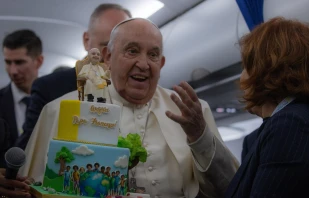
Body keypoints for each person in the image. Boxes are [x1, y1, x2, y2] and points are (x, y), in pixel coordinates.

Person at [19, 18, 239, 198]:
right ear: (108, 58)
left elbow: (229, 188)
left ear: (161, 64)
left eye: (153, 55)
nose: (143, 64)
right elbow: (30, 188)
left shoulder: (192, 112)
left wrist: (199, 136)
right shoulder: (62, 110)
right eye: (132, 51)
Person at [15, 3, 131, 149]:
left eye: (125, 48)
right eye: (106, 47)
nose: (111, 56)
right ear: (86, 41)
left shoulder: (139, 92)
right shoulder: (50, 89)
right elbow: (28, 150)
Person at [225, 17, 309, 197]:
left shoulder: (289, 124)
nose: (240, 78)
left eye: (245, 66)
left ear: (264, 70)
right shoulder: (286, 121)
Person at [0, 29, 43, 155]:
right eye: (8, 62)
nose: (13, 71)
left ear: (39, 61)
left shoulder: (54, 102)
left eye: (19, 62)